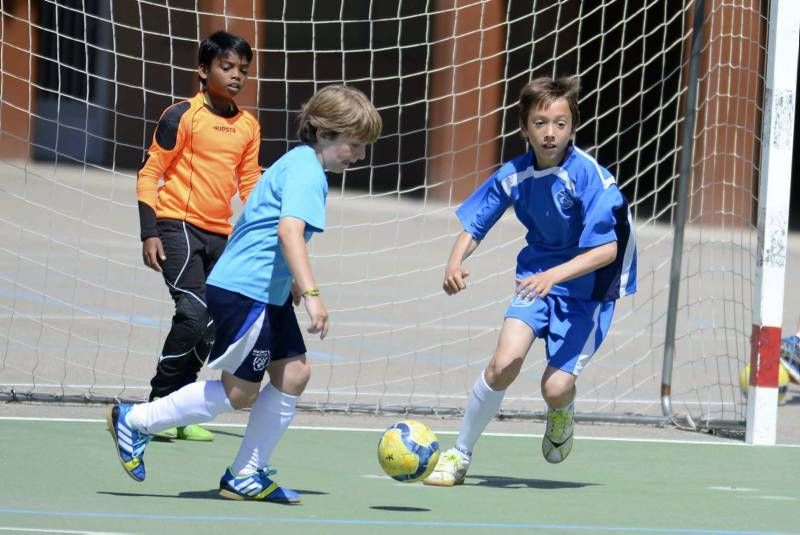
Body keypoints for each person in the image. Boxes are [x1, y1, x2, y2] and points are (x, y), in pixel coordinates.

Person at [108, 85, 382, 502]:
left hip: (263, 292)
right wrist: (311, 293)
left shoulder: (298, 163)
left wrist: (288, 279)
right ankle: (137, 419)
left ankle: (245, 474)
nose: (360, 156)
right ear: (326, 132)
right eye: (356, 145)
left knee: (294, 373)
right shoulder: (307, 171)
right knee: (240, 392)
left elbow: (267, 226)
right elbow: (288, 231)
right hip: (244, 291)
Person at [423, 75, 637, 487]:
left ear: (572, 126)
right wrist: (453, 261)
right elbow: (475, 224)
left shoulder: (591, 178)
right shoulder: (514, 174)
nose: (550, 132)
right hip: (536, 278)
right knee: (503, 364)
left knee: (555, 388)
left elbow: (606, 251)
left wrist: (553, 275)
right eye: (540, 123)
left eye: (560, 123)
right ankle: (460, 453)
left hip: (590, 289)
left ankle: (561, 414)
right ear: (524, 128)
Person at [136, 31, 262, 442]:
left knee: (212, 326)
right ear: (203, 71)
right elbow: (150, 173)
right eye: (227, 67)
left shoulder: (247, 126)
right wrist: (148, 231)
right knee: (193, 313)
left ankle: (179, 411)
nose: (236, 76)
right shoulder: (181, 116)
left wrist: (275, 223)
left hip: (220, 236)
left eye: (243, 70)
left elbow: (249, 184)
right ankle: (156, 404)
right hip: (176, 227)